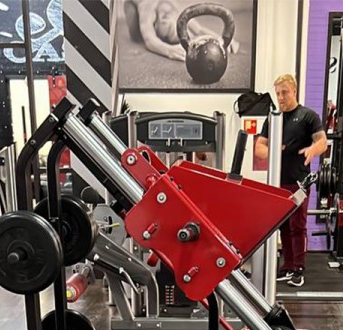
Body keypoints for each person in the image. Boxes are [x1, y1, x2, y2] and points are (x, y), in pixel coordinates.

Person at [254, 73, 327, 287]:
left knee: (297, 225)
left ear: (294, 91)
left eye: (284, 92)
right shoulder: (273, 119)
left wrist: (313, 150)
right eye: (277, 93)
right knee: (283, 226)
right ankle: (287, 266)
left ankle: (298, 268)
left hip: (298, 181)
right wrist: (276, 150)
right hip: (277, 181)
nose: (280, 97)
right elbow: (259, 148)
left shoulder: (307, 116)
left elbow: (322, 141)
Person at [123, 0, 240, 63]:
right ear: (156, 24)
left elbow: (198, 30)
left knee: (189, 33)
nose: (166, 19)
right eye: (168, 31)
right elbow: (149, 39)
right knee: (136, 37)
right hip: (130, 4)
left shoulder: (177, 11)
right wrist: (170, 51)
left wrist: (224, 38)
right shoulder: (148, 9)